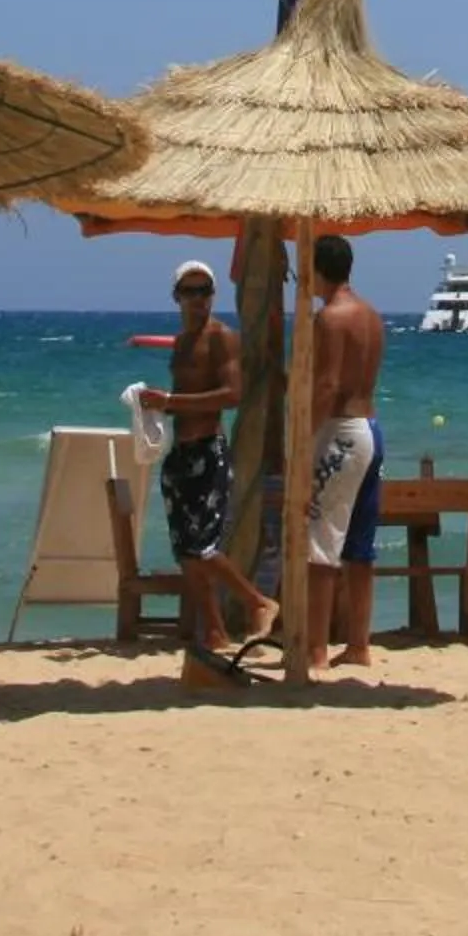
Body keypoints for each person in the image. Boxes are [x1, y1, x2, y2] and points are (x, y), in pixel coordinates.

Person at [138, 260, 278, 657]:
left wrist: (171, 401)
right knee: (187, 554)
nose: (198, 300)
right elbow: (181, 397)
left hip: (207, 453)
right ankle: (215, 632)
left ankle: (258, 602)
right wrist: (156, 406)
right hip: (179, 454)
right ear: (177, 297)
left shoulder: (222, 338)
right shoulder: (182, 342)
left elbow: (233, 395)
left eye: (205, 292)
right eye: (190, 292)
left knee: (203, 547)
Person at [302, 234, 386, 672]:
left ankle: (316, 649)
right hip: (371, 429)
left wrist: (301, 440)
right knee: (359, 548)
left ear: (318, 269)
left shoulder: (330, 318)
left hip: (341, 432)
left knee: (319, 543)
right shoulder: (372, 316)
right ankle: (358, 644)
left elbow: (329, 385)